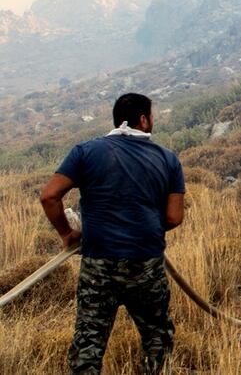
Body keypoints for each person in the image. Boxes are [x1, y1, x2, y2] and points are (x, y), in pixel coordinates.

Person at [39, 93, 185, 375]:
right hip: (145, 263)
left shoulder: (85, 151)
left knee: (88, 343)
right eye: (152, 116)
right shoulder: (168, 159)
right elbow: (174, 217)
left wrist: (67, 233)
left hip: (98, 264)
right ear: (143, 120)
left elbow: (49, 196)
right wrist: (145, 230)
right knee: (157, 337)